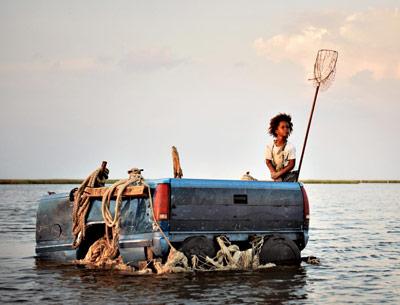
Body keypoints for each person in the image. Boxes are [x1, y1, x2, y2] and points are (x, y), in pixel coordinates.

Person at [265, 113, 298, 182]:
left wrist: (279, 174)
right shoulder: (270, 146)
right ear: (276, 130)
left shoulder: (290, 147)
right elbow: (268, 162)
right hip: (277, 172)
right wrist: (274, 173)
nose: (286, 129)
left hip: (289, 174)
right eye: (282, 127)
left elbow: (291, 164)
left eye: (287, 127)